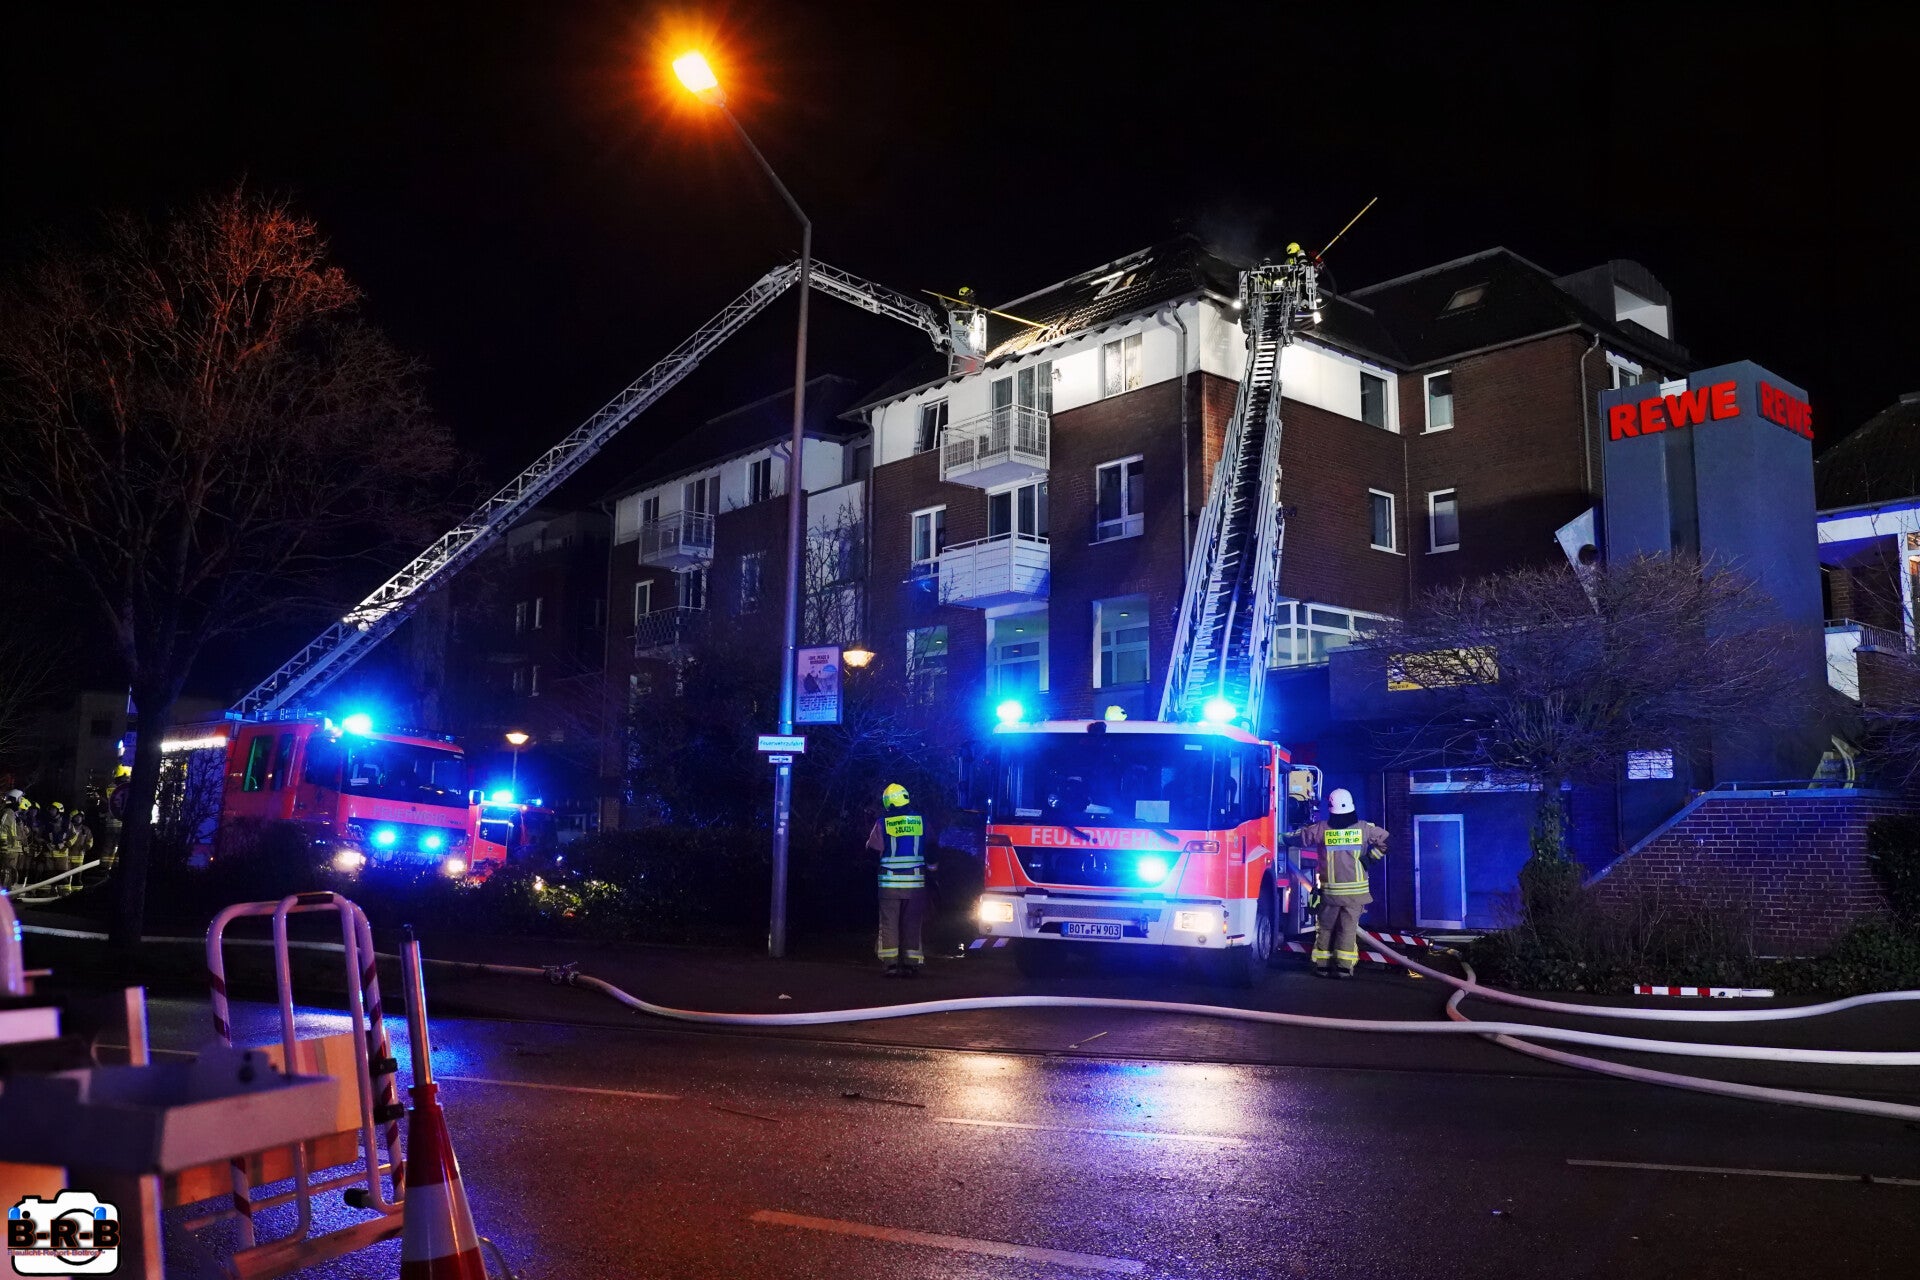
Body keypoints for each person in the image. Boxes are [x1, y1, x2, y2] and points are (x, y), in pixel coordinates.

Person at [1286, 788, 1388, 978]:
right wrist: (1369, 859)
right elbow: (1387, 840)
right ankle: (1343, 968)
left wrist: (1279, 837)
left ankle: (1322, 967)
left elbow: (1299, 837)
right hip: (1356, 896)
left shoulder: (1322, 828)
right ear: (1352, 806)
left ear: (1330, 807)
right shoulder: (1365, 828)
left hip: (1330, 894)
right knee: (1348, 930)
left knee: (1325, 929)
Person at [866, 782, 932, 977]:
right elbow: (933, 849)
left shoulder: (882, 822)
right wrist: (933, 870)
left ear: (888, 802)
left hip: (889, 884)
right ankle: (912, 964)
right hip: (915, 884)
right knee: (912, 922)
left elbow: (872, 851)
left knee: (889, 923)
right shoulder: (921, 821)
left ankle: (891, 965)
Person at [0, 791, 24, 888]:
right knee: (7, 872)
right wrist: (4, 844)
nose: (21, 801)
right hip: (9, 849)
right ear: (16, 799)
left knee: (11, 872)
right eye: (20, 799)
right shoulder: (8, 812)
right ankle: (5, 894)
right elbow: (3, 828)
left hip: (13, 849)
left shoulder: (13, 814)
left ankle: (9, 892)